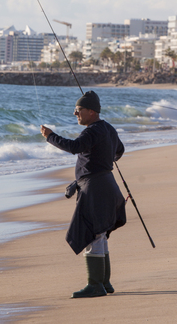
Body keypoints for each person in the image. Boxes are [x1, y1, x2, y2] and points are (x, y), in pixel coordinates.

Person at [40, 90, 126, 298]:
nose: (75, 114)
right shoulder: (108, 129)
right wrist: (102, 159)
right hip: (107, 184)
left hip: (96, 188)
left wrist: (50, 136)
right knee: (100, 234)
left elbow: (74, 147)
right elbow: (119, 151)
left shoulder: (92, 131)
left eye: (78, 110)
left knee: (92, 233)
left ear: (91, 111)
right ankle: (104, 283)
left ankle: (95, 285)